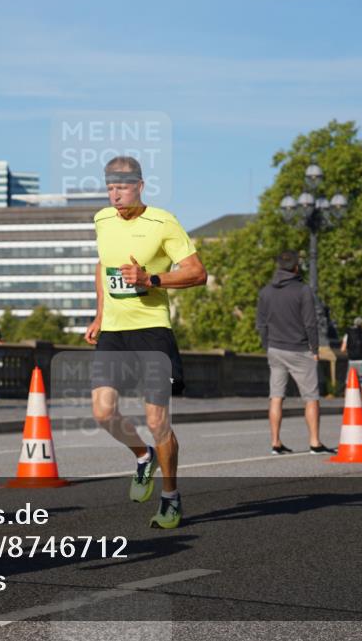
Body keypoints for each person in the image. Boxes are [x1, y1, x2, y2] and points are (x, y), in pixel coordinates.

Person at [84, 156, 207, 530]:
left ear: (140, 185)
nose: (115, 195)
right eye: (109, 188)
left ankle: (170, 496)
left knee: (157, 421)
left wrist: (151, 279)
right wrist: (100, 315)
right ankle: (142, 456)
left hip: (152, 332)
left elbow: (197, 273)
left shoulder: (163, 222)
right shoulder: (102, 220)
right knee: (103, 412)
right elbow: (103, 267)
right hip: (115, 333)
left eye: (122, 187)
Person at [256, 250, 332, 455]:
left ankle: (275, 442)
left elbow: (261, 324)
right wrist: (314, 349)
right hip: (299, 350)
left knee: (276, 396)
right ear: (296, 267)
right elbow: (310, 323)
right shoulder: (303, 290)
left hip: (275, 349)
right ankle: (315, 442)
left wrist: (267, 345)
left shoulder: (266, 292)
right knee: (311, 397)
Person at [340, 317, 362, 413]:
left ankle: (347, 405)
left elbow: (342, 349)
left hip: (351, 362)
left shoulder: (348, 334)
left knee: (348, 384)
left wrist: (350, 353)